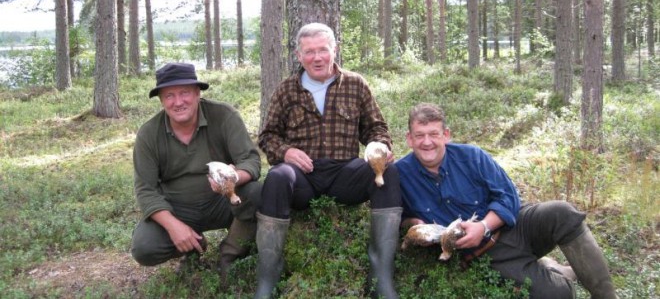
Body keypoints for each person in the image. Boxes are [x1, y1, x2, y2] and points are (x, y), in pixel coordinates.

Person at [395, 103, 617, 299]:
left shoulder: (472, 156)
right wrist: (414, 226)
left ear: (446, 135)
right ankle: (556, 271)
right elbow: (400, 218)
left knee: (562, 212)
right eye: (419, 135)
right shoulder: (399, 174)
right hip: (486, 255)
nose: (427, 142)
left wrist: (483, 226)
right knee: (557, 294)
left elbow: (509, 196)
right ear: (409, 138)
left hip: (514, 225)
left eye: (433, 134)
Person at [255, 23, 402, 298]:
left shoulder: (355, 84)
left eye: (323, 49)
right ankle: (268, 279)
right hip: (302, 179)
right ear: (299, 56)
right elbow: (267, 136)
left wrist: (378, 145)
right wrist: (286, 152)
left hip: (345, 175)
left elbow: (377, 128)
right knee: (276, 177)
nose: (317, 57)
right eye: (309, 52)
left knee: (389, 172)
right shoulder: (287, 90)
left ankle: (381, 275)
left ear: (334, 50)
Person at [130, 62, 262, 278]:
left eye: (185, 93)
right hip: (178, 209)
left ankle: (229, 255)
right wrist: (173, 226)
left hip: (223, 201)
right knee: (144, 247)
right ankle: (193, 245)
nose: (178, 102)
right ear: (161, 100)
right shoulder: (148, 134)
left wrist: (234, 177)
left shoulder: (224, 116)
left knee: (256, 194)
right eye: (169, 95)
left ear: (198, 93)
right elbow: (145, 190)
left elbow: (251, 160)